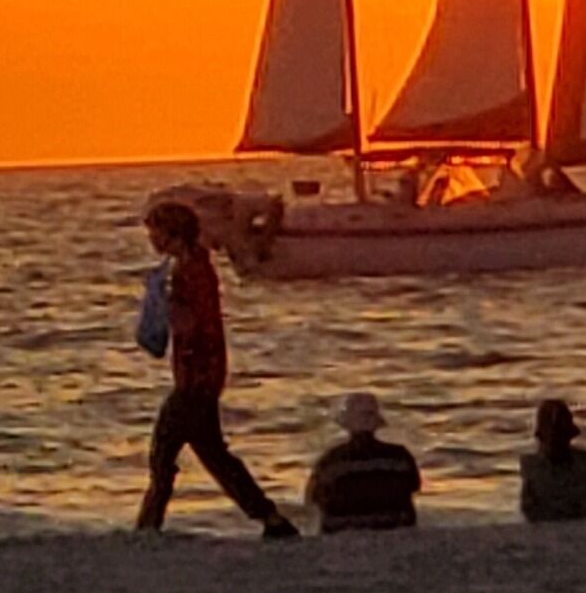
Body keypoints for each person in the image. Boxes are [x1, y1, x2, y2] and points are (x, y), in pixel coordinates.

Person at [134, 200, 296, 536]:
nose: (152, 239)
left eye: (156, 232)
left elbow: (191, 324)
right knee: (214, 457)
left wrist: (166, 306)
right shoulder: (195, 267)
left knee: (165, 455)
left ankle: (148, 528)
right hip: (202, 379)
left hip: (195, 381)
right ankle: (271, 519)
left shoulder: (189, 272)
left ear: (171, 233)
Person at [305, 392, 421, 531]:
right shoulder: (400, 457)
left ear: (347, 426)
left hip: (343, 532)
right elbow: (414, 486)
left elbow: (312, 498)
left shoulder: (331, 460)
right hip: (396, 527)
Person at [519, 396, 586, 522]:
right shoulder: (531, 466)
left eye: (558, 436)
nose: (554, 441)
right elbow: (529, 508)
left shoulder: (584, 462)